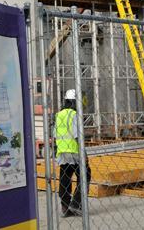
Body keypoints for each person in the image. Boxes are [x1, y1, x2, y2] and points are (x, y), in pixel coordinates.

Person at [55, 89, 92, 218]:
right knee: (85, 174)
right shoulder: (75, 115)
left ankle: (65, 206)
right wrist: (84, 154)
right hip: (74, 152)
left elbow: (55, 135)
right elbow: (78, 136)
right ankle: (76, 203)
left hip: (62, 152)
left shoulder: (59, 115)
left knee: (65, 178)